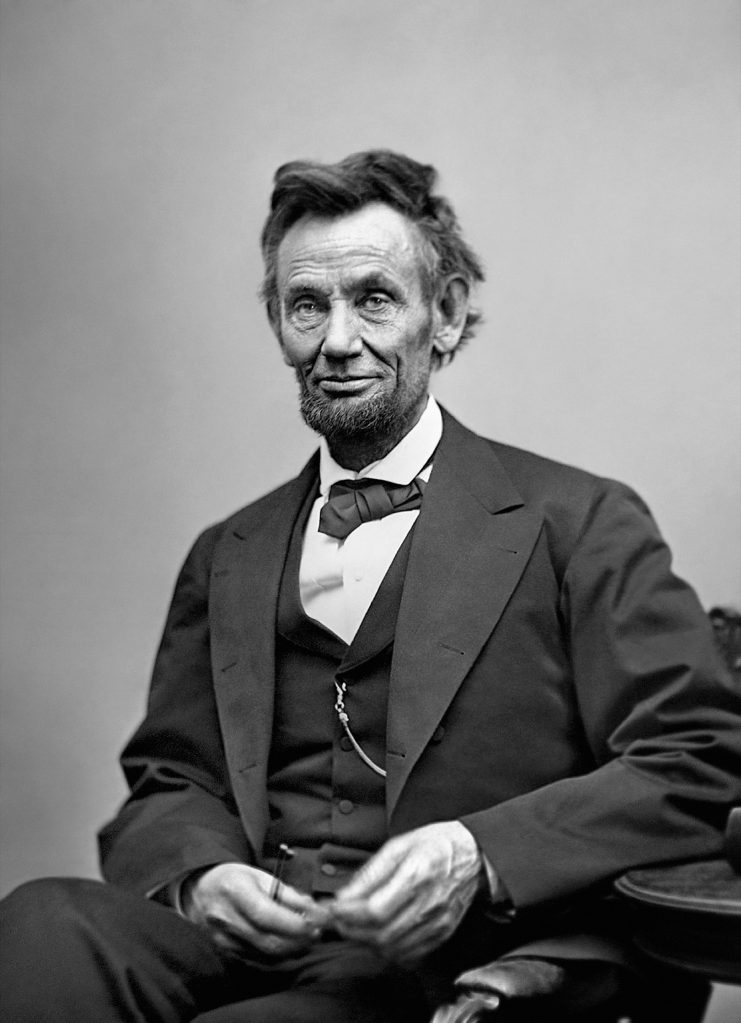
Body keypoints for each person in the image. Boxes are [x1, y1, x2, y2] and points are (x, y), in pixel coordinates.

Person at [2, 150, 740, 1023]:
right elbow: (173, 772)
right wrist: (201, 878)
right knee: (41, 919)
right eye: (307, 305)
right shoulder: (227, 550)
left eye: (375, 298)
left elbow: (693, 759)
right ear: (277, 323)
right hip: (254, 947)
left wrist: (476, 852)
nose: (338, 340)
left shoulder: (580, 522)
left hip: (446, 962)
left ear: (448, 314)